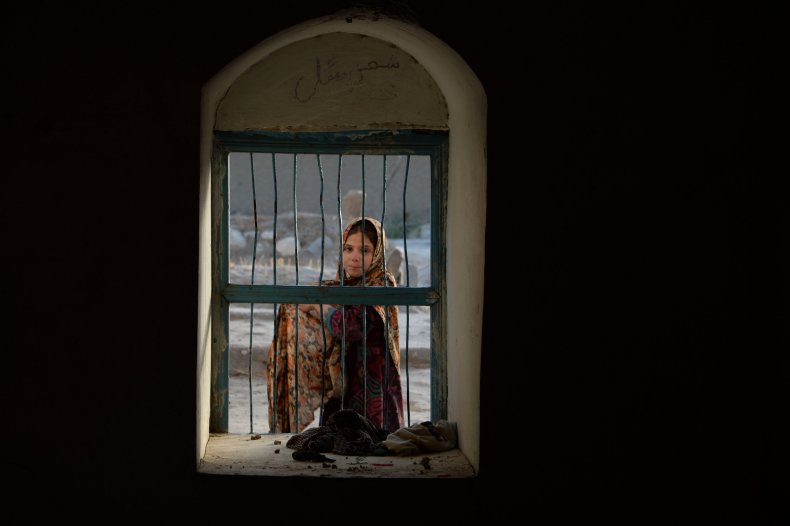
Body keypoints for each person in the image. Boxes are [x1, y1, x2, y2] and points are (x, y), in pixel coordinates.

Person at [267, 216, 404, 434]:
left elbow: (350, 325)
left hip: (372, 382)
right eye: (348, 249)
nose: (354, 257)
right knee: (335, 443)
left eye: (364, 250)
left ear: (377, 253)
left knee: (371, 442)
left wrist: (316, 308)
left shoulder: (381, 283)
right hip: (342, 380)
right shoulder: (341, 285)